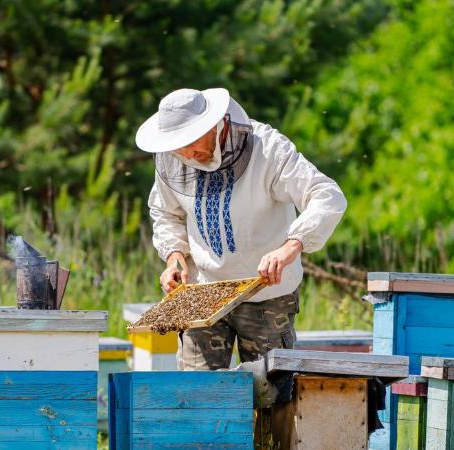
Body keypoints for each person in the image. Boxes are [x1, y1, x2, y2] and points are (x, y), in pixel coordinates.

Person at [135, 88, 347, 370]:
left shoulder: (268, 149)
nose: (186, 154)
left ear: (214, 124)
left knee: (272, 398)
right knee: (199, 395)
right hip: (202, 293)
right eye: (177, 146)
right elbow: (165, 211)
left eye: (191, 142)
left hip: (266, 294)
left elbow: (327, 195)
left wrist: (292, 245)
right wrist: (174, 255)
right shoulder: (174, 159)